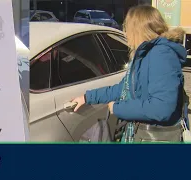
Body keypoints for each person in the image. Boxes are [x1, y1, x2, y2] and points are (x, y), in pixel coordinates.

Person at [71, 5, 188, 142]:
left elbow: (161, 108)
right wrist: (87, 97)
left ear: (137, 30)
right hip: (142, 135)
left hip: (156, 138)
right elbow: (123, 89)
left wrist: (118, 107)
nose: (125, 33)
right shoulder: (145, 54)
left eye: (127, 27)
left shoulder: (161, 55)